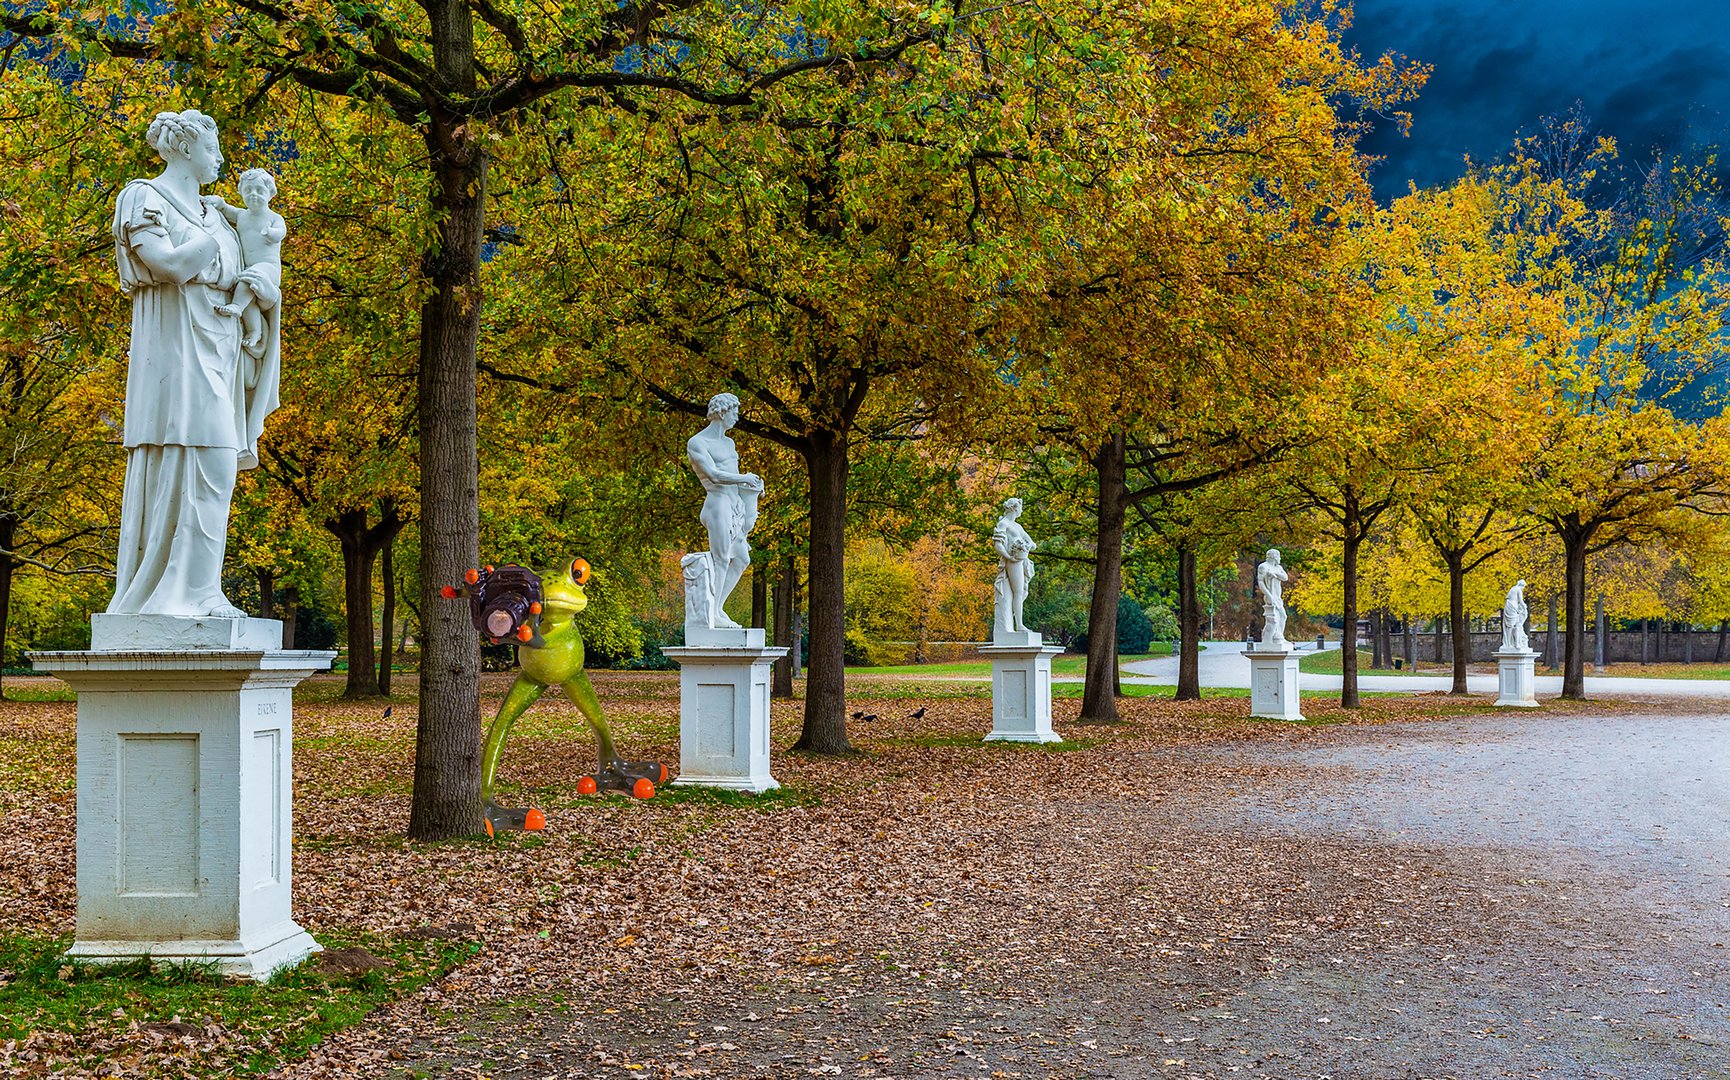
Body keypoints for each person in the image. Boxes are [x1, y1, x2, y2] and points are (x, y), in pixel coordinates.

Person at [107, 110, 281, 618]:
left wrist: (258, 288)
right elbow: (168, 265)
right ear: (184, 148)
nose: (221, 158)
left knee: (218, 464)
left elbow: (258, 269)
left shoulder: (215, 213)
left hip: (219, 350)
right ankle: (168, 594)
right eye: (213, 147)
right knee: (190, 455)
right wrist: (213, 236)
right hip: (174, 352)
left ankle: (201, 588)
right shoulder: (143, 197)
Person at [686, 393, 762, 626]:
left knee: (741, 558)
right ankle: (714, 615)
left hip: (734, 505)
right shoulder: (697, 443)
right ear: (722, 412)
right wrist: (744, 478)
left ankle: (717, 608)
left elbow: (735, 478)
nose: (737, 418)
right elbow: (714, 475)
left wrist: (752, 490)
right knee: (720, 559)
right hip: (717, 504)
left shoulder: (729, 443)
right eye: (735, 412)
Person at [208, 168, 285, 356]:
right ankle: (254, 331)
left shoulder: (273, 218)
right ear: (241, 192)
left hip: (269, 268)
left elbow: (281, 232)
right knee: (246, 296)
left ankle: (236, 307)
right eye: (248, 190)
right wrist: (218, 202)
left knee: (247, 281)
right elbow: (227, 210)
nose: (254, 195)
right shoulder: (242, 215)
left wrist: (271, 233)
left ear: (270, 194)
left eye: (259, 190)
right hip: (249, 268)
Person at [992, 497, 1037, 634]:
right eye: (1021, 508)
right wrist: (1009, 556)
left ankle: (1018, 624)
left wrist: (1025, 547)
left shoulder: (1018, 526)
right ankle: (1020, 625)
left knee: (1020, 592)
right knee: (1018, 592)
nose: (1022, 511)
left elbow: (1033, 544)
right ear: (1015, 508)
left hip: (1021, 561)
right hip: (1013, 562)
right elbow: (998, 545)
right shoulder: (1003, 524)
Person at [1256, 548, 1289, 649]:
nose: (1280, 559)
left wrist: (1275, 575)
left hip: (1277, 596)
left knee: (1283, 616)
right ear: (1274, 557)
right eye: (1279, 556)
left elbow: (1285, 577)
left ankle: (1279, 636)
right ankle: (1272, 638)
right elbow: (1261, 582)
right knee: (1273, 618)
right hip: (1270, 596)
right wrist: (1268, 595)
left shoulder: (1278, 568)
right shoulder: (1263, 567)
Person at [1502, 579, 1530, 652]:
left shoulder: (1512, 588)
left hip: (1509, 606)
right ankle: (1509, 644)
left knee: (1510, 626)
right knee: (1512, 625)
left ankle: (1508, 643)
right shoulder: (1518, 590)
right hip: (1513, 606)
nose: (1523, 589)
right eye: (1523, 587)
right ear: (1522, 585)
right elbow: (1520, 601)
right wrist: (1524, 607)